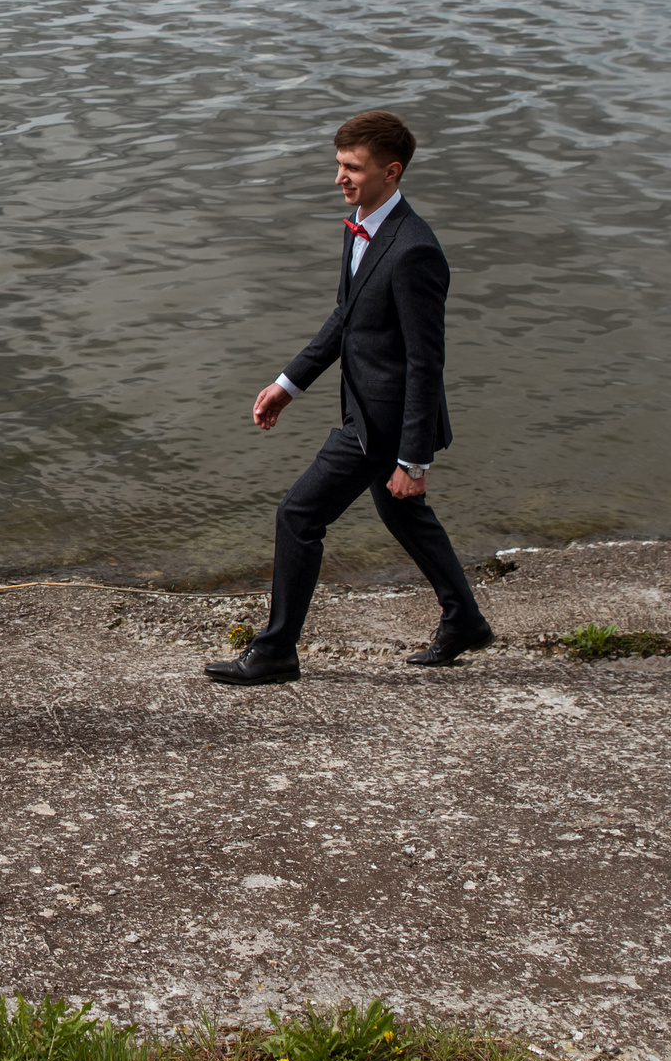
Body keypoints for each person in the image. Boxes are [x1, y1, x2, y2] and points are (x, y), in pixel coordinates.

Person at [206, 110, 493, 684]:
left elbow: (424, 360)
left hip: (382, 421)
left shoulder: (414, 250)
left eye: (353, 168)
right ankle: (464, 620)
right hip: (362, 407)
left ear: (391, 171)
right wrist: (289, 384)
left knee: (298, 516)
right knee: (403, 515)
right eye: (338, 164)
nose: (340, 177)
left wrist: (413, 458)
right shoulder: (361, 225)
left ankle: (276, 651)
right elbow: (347, 317)